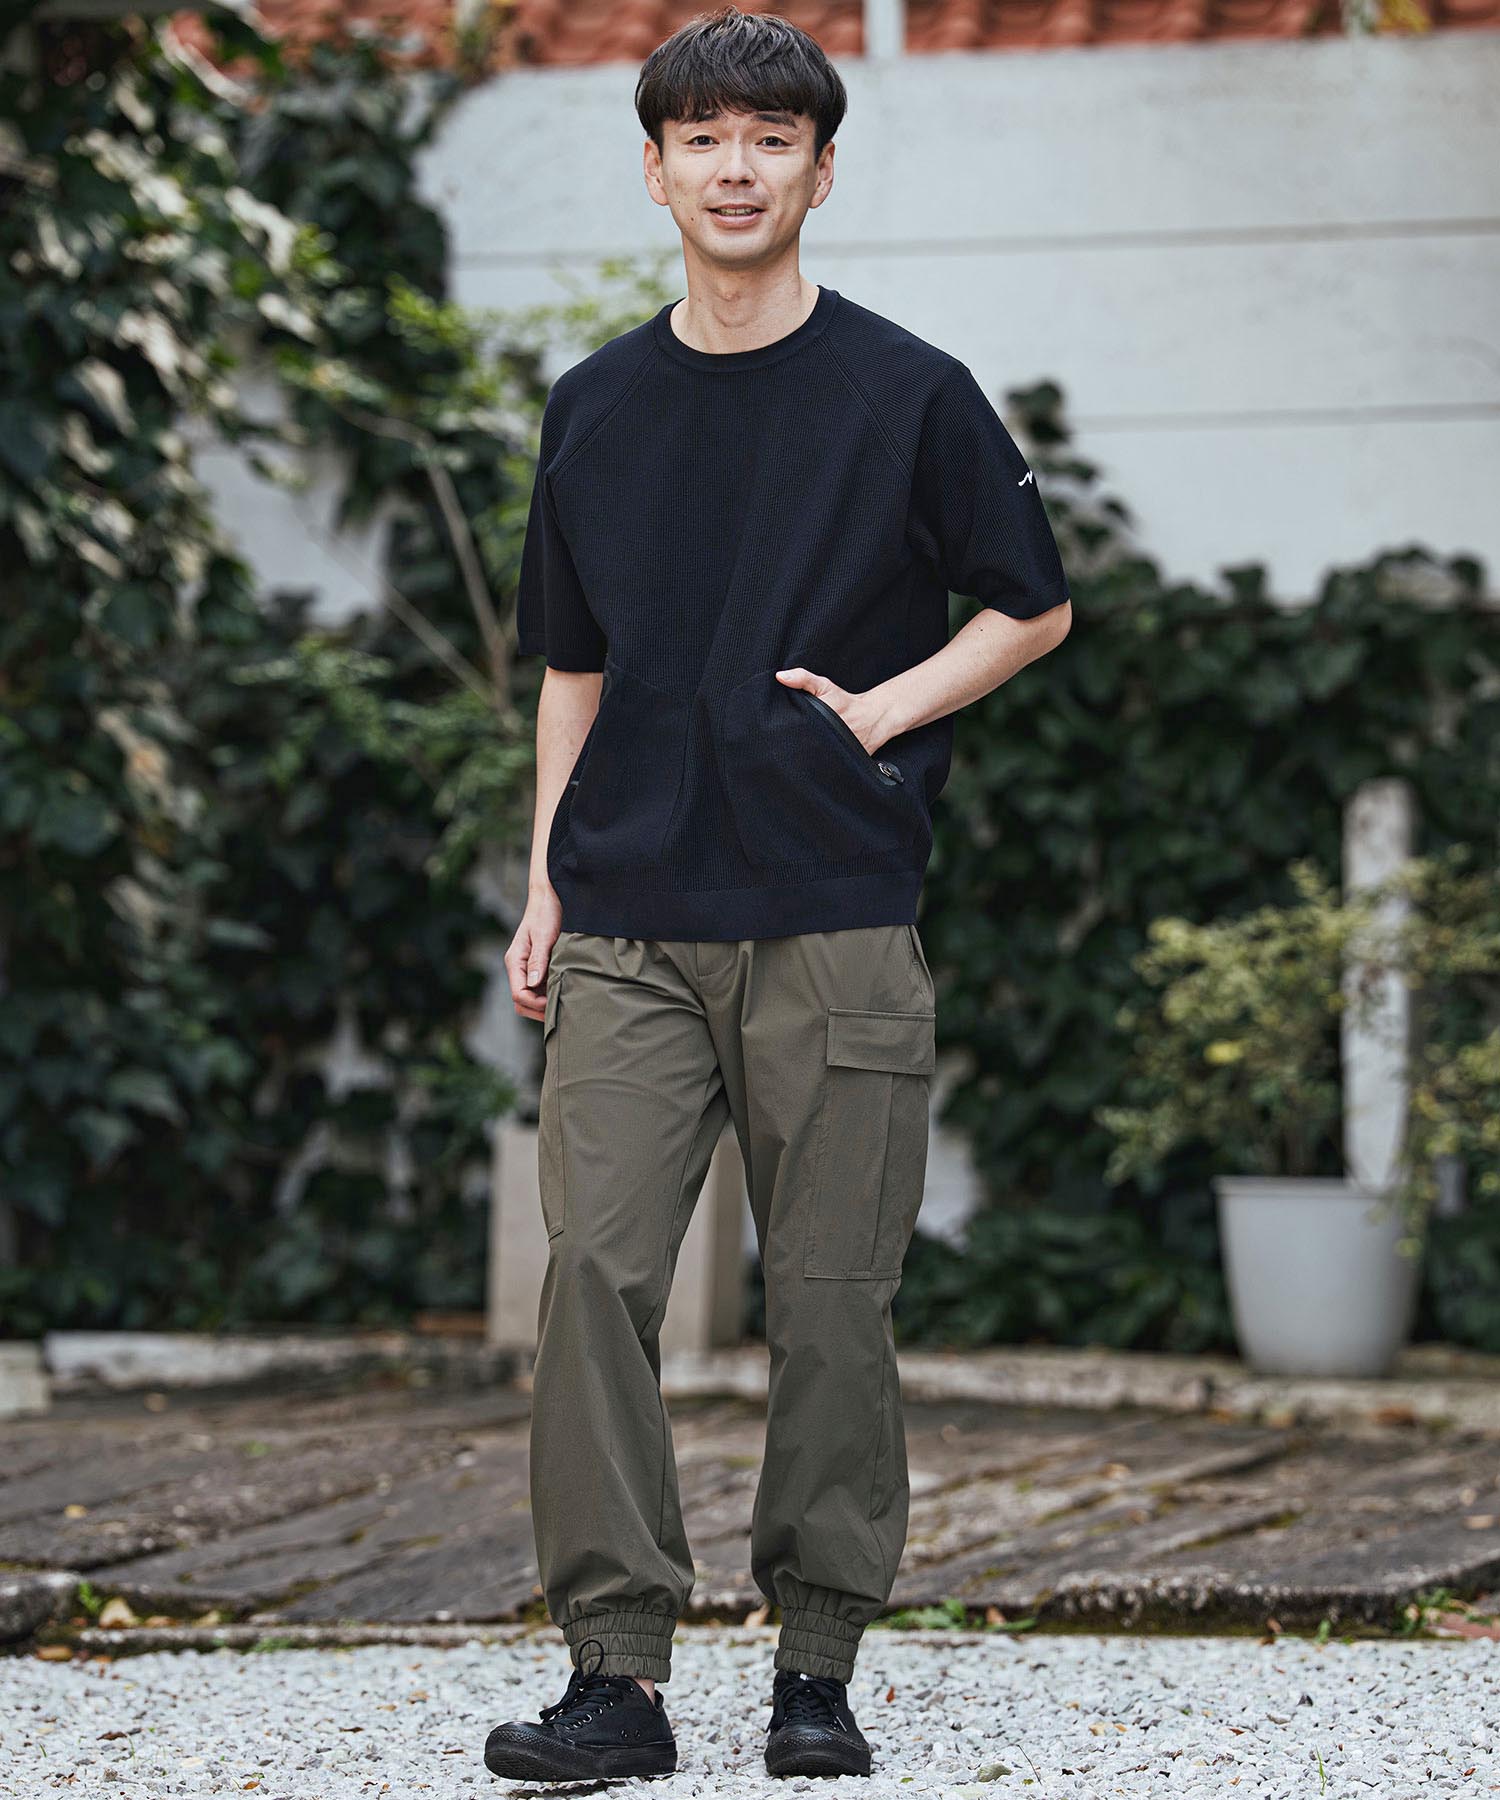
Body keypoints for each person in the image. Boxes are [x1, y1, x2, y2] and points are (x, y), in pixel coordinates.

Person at [483, 5, 1072, 1784]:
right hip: (630, 919)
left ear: (822, 172)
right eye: (704, 140)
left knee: (831, 1299)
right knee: (594, 1276)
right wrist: (544, 880)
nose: (735, 170)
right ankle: (616, 1675)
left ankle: (817, 1666)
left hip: (834, 915)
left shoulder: (908, 392)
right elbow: (572, 669)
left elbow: (1031, 602)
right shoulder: (593, 406)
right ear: (654, 170)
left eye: (771, 141)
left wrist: (880, 713)